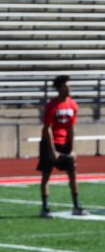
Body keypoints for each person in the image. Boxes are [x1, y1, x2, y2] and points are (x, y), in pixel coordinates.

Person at [37, 75, 88, 218]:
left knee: (73, 175)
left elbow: (72, 128)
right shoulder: (51, 105)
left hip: (65, 144)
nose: (69, 88)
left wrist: (72, 149)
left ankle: (77, 206)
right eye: (67, 85)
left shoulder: (73, 105)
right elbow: (47, 128)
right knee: (46, 176)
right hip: (50, 143)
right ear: (59, 88)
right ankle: (45, 208)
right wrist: (52, 151)